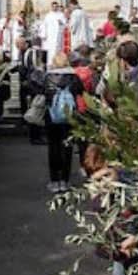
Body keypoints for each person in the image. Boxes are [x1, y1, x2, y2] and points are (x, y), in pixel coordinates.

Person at [33, 52, 83, 193]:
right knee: (67, 147)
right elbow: (81, 91)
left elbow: (42, 92)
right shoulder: (73, 77)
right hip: (69, 115)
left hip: (52, 115)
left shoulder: (48, 77)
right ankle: (65, 181)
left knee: (53, 147)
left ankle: (54, 180)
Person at [41, 2, 67, 67]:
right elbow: (44, 26)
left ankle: (59, 63)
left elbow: (65, 25)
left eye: (56, 6)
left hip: (58, 36)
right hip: (50, 36)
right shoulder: (48, 16)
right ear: (51, 7)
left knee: (58, 49)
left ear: (58, 7)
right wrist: (44, 35)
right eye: (53, 6)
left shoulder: (61, 15)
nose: (55, 8)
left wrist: (61, 22)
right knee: (51, 50)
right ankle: (50, 63)